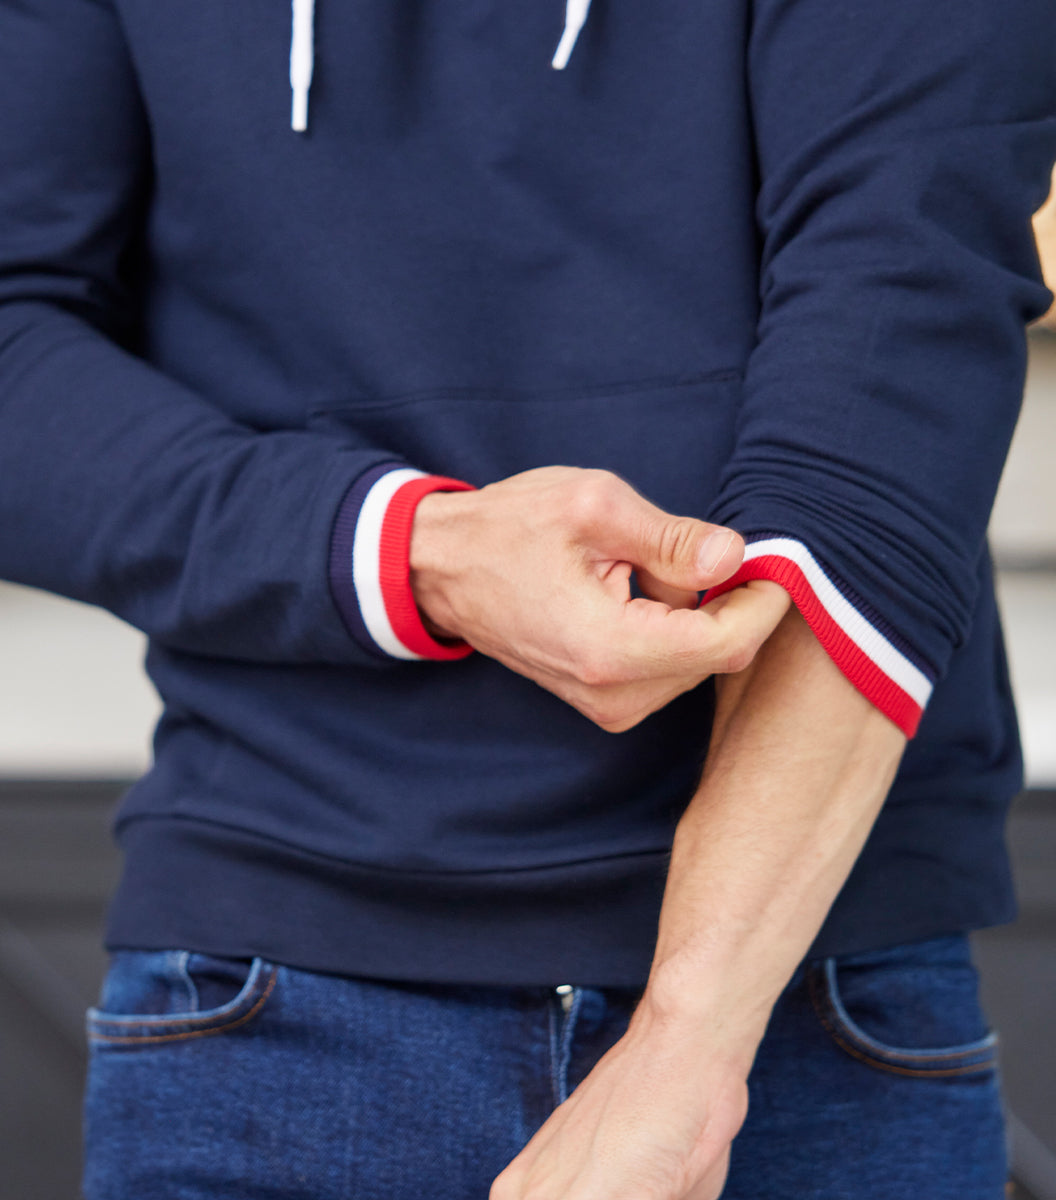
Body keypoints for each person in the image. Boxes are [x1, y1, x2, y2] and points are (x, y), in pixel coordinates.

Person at [0, 0, 1053, 1197]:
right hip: (269, 982)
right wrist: (418, 549)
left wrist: (686, 1048)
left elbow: (900, 340)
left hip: (816, 1000)